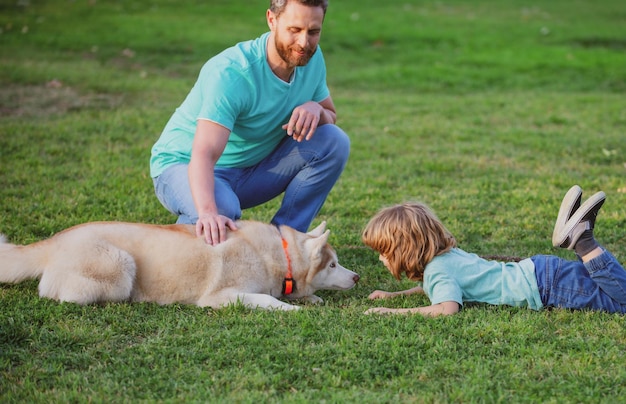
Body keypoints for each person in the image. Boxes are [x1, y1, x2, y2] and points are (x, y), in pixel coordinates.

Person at [150, 0, 350, 245]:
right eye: (294, 30)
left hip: (250, 171)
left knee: (334, 141)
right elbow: (203, 154)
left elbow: (330, 115)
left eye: (314, 32)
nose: (304, 43)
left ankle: (282, 245)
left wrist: (315, 108)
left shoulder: (312, 58)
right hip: (184, 165)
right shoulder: (232, 73)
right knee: (222, 210)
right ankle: (172, 255)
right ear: (271, 20)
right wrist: (208, 212)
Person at [361, 185, 626, 316]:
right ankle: (579, 234)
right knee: (609, 285)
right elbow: (435, 288)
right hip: (541, 272)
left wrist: (392, 312)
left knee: (621, 301)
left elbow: (446, 308)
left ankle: (583, 239)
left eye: (384, 251)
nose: (381, 259)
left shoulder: (438, 271)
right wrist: (393, 295)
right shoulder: (445, 258)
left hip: (545, 288)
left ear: (405, 249)